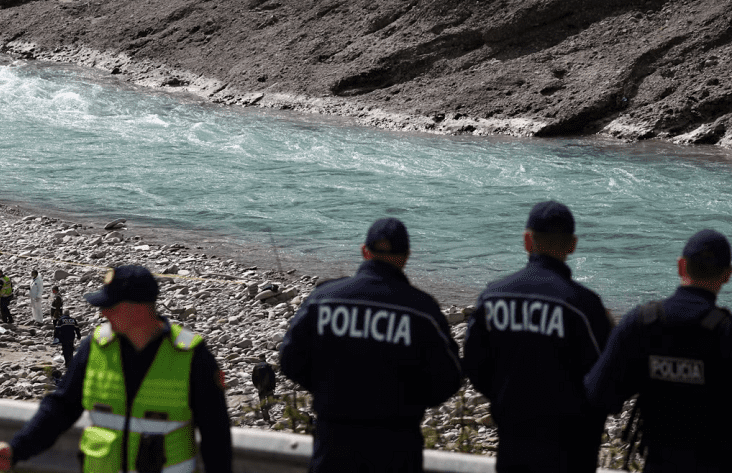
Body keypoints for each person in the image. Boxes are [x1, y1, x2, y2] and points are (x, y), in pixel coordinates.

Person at [0, 264, 232, 473]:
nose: (103, 312)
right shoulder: (95, 347)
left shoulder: (190, 355)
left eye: (111, 306)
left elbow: (216, 436)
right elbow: (61, 408)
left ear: (137, 309)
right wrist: (17, 448)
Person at [279, 217, 462, 473]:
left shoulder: (324, 300)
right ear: (406, 256)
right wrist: (408, 402)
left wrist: (326, 388)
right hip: (397, 446)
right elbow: (450, 377)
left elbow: (289, 359)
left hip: (334, 442)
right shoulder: (421, 310)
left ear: (365, 251)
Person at [462, 200, 612, 473]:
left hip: (513, 439)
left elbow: (474, 363)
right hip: (570, 448)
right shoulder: (584, 306)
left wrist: (504, 395)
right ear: (572, 245)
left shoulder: (494, 296)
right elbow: (604, 377)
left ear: (527, 241)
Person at [585, 229, 732, 472]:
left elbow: (597, 396)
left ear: (681, 266)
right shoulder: (725, 333)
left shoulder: (641, 324)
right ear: (727, 275)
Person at [250, 356, 276, 422]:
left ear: (259, 359)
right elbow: (272, 377)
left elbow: (253, 378)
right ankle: (268, 412)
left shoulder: (256, 367)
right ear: (265, 359)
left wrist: (257, 386)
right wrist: (273, 386)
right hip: (269, 387)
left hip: (260, 387)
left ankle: (266, 417)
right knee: (271, 401)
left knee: (262, 402)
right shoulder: (268, 366)